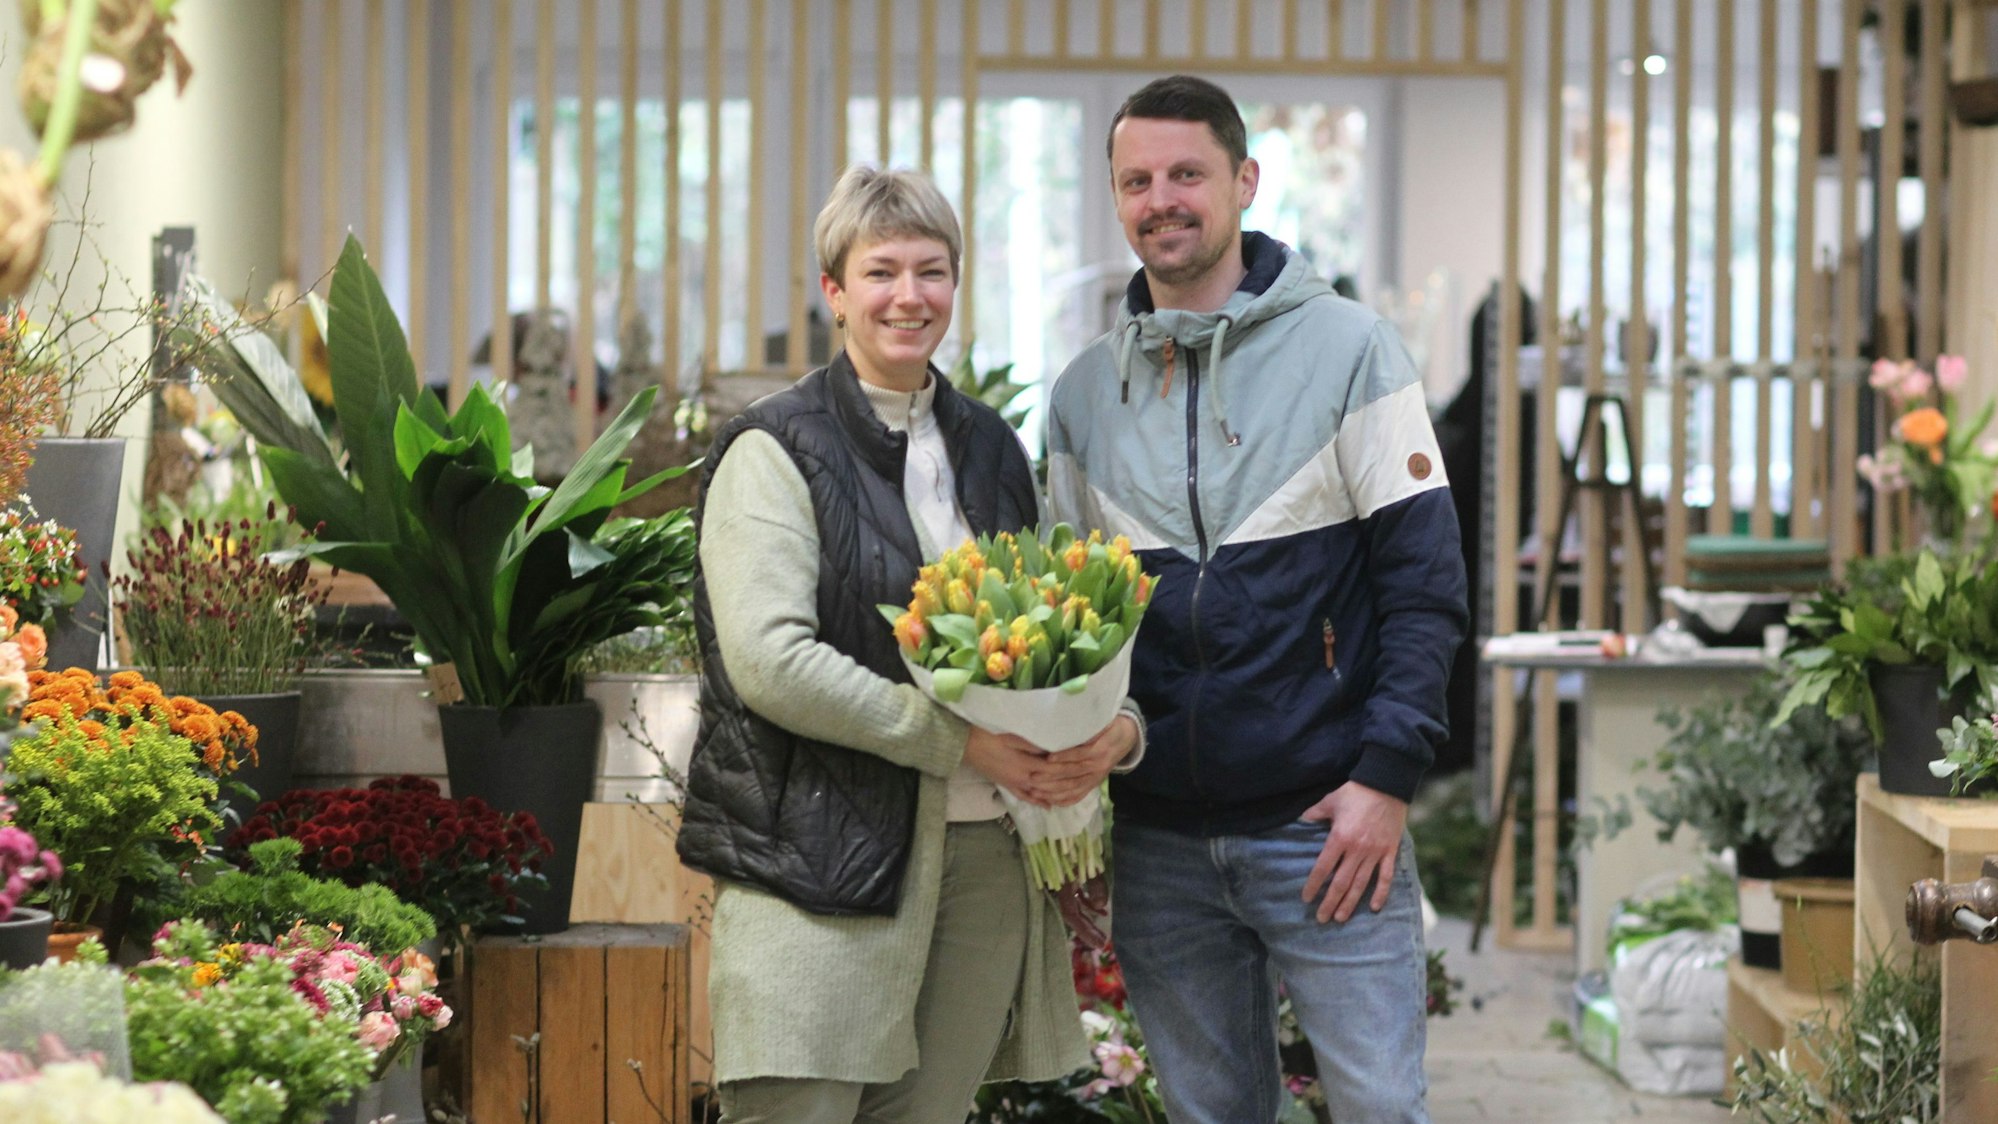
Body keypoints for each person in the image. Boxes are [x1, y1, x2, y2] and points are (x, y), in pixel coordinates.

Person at [1046, 75, 1468, 1123]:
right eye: (1136, 180)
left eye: (1186, 173)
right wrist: (1082, 821)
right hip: (1158, 841)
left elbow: (1425, 588)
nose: (1161, 199)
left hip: (1326, 825)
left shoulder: (1352, 351)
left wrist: (1386, 778)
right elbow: (1071, 637)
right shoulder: (1084, 396)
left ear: (1244, 181)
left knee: (1381, 1109)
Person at [676, 165, 1136, 1124]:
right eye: (880, 272)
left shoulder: (991, 448)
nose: (908, 296)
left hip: (983, 864)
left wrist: (1097, 737)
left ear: (956, 284)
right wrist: (958, 742)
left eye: (931, 270)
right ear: (835, 292)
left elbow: (1048, 633)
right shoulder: (773, 448)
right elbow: (770, 662)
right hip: (819, 863)